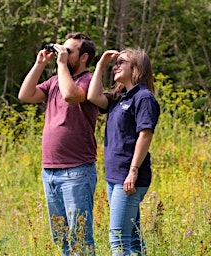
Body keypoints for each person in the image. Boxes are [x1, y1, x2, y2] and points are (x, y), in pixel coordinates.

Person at [18, 32, 98, 255]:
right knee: (60, 236)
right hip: (50, 172)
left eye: (68, 50)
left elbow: (71, 96)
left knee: (80, 237)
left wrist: (61, 63)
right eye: (61, 49)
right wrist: (39, 65)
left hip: (77, 171)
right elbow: (25, 95)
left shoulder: (89, 81)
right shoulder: (54, 81)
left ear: (83, 57)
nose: (62, 53)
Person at [87, 49, 160, 255]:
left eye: (121, 62)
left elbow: (145, 135)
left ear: (136, 68)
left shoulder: (144, 98)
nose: (115, 66)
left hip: (129, 177)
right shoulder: (119, 97)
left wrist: (133, 170)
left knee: (119, 238)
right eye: (115, 63)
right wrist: (100, 64)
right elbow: (93, 96)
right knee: (134, 239)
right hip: (115, 176)